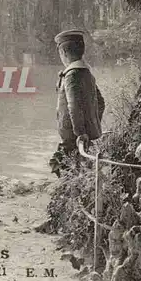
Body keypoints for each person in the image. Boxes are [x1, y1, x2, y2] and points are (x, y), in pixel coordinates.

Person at [49, 30, 105, 177]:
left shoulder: (71, 75)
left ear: (64, 52)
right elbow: (100, 102)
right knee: (78, 166)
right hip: (83, 133)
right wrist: (91, 125)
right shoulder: (86, 73)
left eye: (60, 53)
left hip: (73, 135)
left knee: (63, 166)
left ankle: (70, 191)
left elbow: (74, 106)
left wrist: (80, 132)